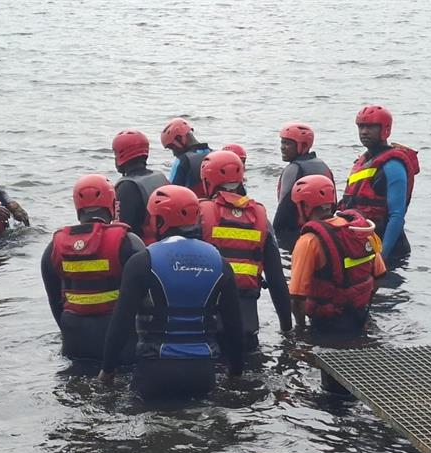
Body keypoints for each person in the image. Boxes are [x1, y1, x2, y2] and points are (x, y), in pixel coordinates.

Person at [98, 185, 244, 400]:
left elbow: (121, 322)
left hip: (154, 372)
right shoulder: (219, 262)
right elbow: (233, 325)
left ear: (159, 221)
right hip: (202, 374)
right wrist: (236, 372)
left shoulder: (142, 261)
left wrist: (107, 370)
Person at [41, 174, 145, 362]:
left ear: (77, 207)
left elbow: (54, 301)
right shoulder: (128, 241)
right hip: (120, 339)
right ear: (113, 204)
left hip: (75, 339)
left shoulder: (54, 247)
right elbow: (147, 296)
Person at [198, 150, 292, 351]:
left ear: (207, 181)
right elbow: (276, 281)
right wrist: (287, 331)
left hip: (207, 328)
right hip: (246, 328)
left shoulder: (200, 214)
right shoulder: (260, 218)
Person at [288, 175, 386, 335]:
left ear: (304, 206)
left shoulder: (309, 241)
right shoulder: (360, 231)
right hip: (360, 317)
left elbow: (297, 298)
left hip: (327, 324)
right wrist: (357, 299)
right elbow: (379, 275)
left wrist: (300, 330)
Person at [339, 105, 420, 261]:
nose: (364, 132)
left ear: (385, 129)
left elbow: (396, 216)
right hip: (365, 243)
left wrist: (382, 256)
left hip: (390, 250)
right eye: (361, 126)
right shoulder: (364, 160)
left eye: (370, 127)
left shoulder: (393, 165)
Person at [272, 123, 334, 252]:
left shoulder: (293, 169)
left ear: (303, 146)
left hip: (295, 237)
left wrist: (275, 239)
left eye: (288, 144)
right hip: (324, 232)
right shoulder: (323, 165)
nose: (282, 148)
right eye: (282, 143)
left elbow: (282, 213)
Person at [112, 129, 169, 245]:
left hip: (143, 251)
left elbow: (121, 232)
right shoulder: (160, 176)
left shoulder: (126, 187)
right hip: (165, 242)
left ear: (121, 154)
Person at [160, 118, 212, 196]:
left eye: (172, 147)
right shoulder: (215, 154)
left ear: (179, 138)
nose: (174, 153)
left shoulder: (183, 160)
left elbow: (169, 194)